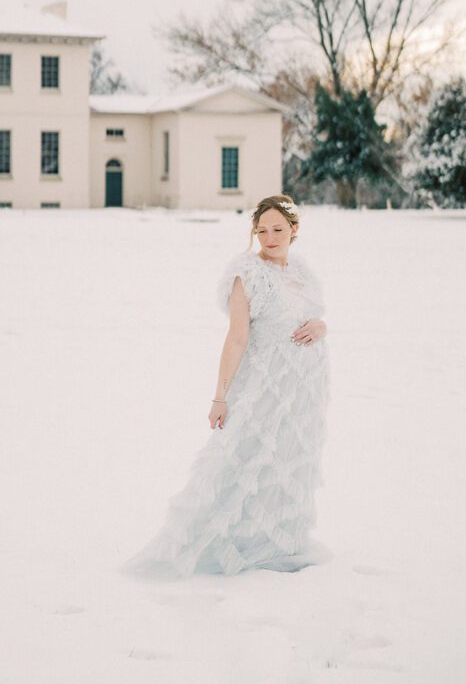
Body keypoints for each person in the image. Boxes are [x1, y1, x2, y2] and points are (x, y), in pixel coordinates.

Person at [120, 194, 331, 577]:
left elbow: (314, 317)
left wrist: (321, 327)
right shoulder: (246, 274)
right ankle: (228, 543)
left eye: (278, 230)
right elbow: (236, 338)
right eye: (262, 230)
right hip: (265, 386)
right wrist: (220, 396)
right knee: (248, 459)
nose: (270, 237)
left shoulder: (302, 272)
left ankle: (280, 539)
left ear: (294, 231)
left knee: (287, 462)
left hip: (302, 392)